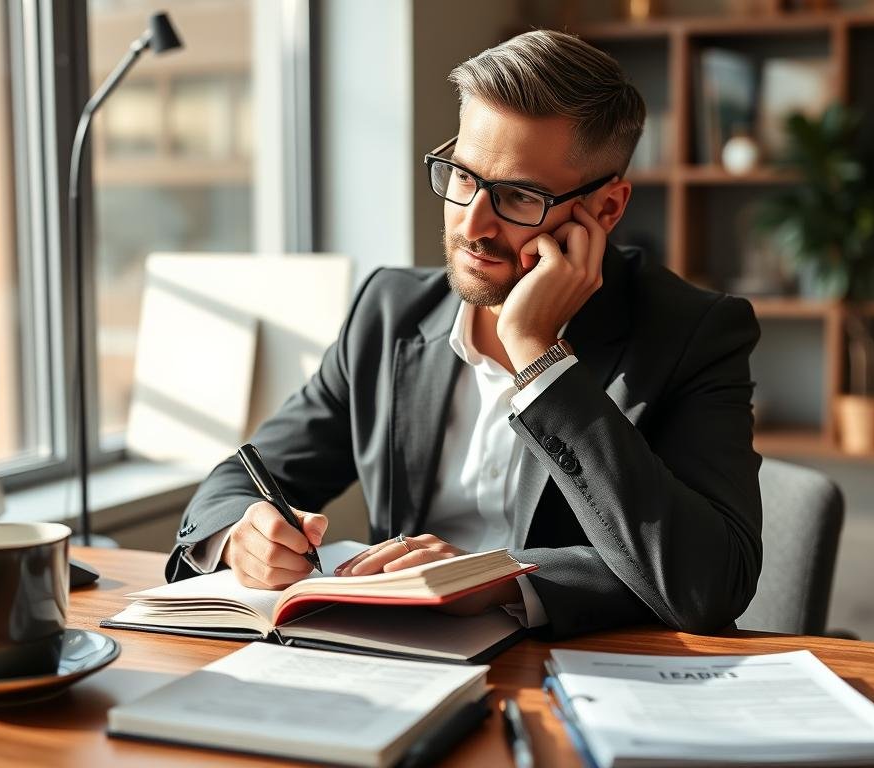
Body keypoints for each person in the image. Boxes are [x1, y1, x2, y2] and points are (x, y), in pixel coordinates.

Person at [165, 29, 763, 638]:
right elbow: (240, 480)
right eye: (462, 175)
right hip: (392, 659)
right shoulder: (389, 312)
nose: (473, 224)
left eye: (520, 195)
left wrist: (541, 362)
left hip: (594, 679)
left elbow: (710, 583)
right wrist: (243, 533)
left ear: (605, 211)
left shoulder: (692, 333)